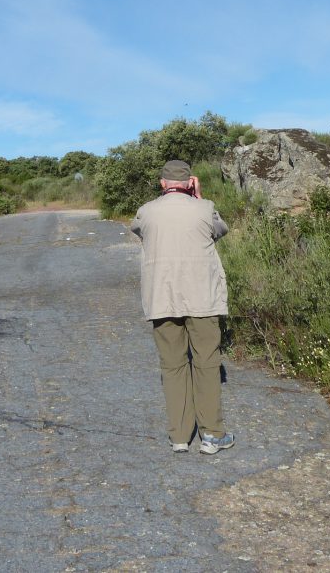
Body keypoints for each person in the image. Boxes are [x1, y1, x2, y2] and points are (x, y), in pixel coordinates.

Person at [130, 159, 235, 455]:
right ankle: (212, 435)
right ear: (190, 182)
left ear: (163, 183)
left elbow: (139, 231)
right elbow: (220, 230)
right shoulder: (205, 207)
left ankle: (179, 436)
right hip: (202, 296)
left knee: (173, 366)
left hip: (162, 298)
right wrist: (198, 197)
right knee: (206, 362)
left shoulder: (146, 211)